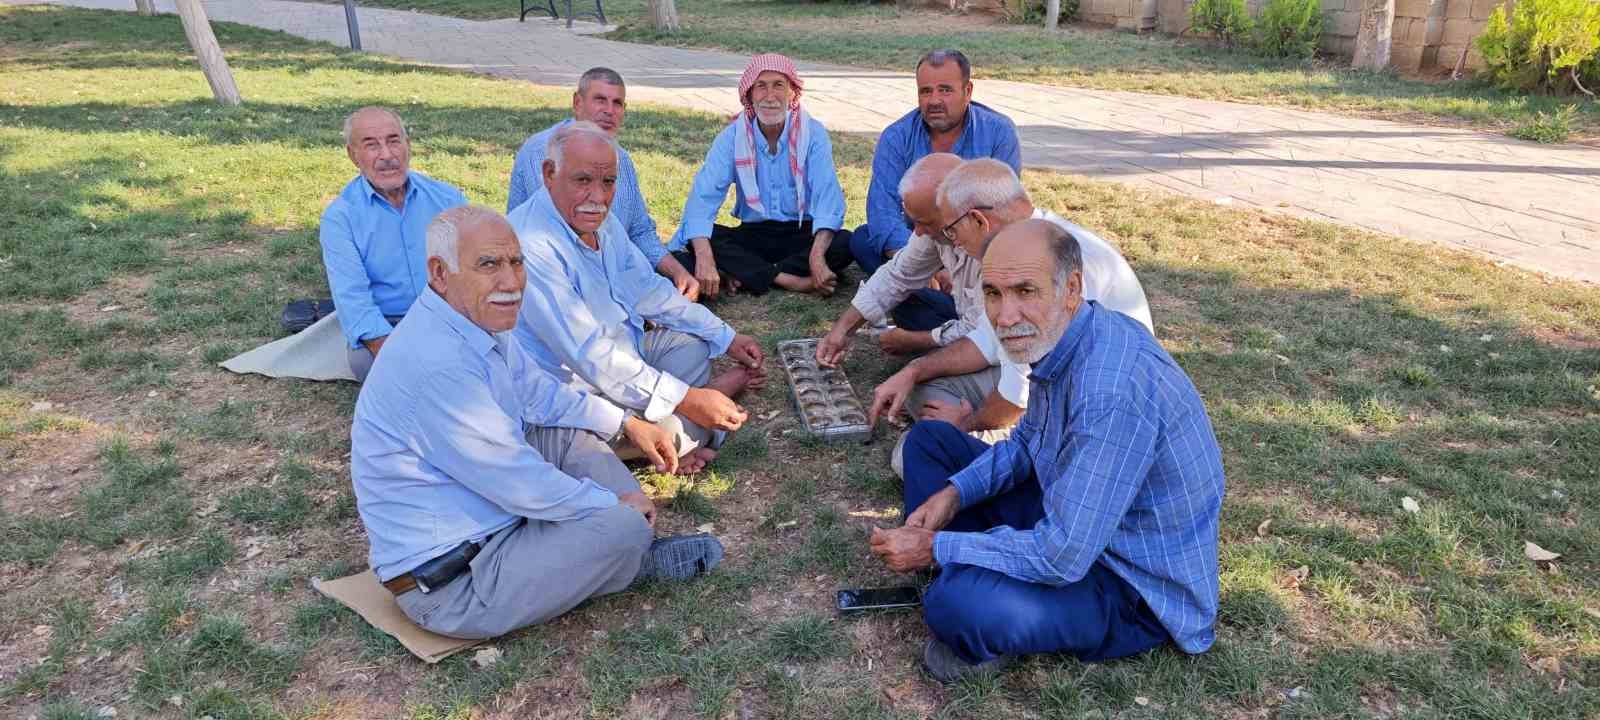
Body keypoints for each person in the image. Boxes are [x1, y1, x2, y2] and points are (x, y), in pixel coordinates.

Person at [869, 219, 1225, 682]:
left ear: (1071, 288)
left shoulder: (1110, 392)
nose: (1005, 315)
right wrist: (953, 495)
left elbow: (1063, 555)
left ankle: (962, 584)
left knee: (955, 604)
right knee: (928, 442)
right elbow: (1027, 441)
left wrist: (938, 547)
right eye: (993, 294)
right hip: (1075, 512)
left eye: (1024, 291)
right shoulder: (1069, 333)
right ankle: (963, 568)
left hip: (1129, 579)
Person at [351, 205, 724, 640]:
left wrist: (628, 424)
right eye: (489, 264)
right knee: (619, 525)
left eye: (516, 262)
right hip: (459, 581)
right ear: (439, 273)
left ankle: (619, 537)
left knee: (567, 434)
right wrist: (611, 505)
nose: (511, 283)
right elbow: (517, 481)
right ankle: (630, 551)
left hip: (489, 514)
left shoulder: (473, 317)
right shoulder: (437, 364)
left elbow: (541, 396)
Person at [830, 158, 1152, 474]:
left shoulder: (1043, 264)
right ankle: (981, 444)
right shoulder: (1019, 247)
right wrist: (914, 370)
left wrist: (966, 422)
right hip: (1044, 392)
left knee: (913, 455)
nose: (952, 243)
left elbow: (1024, 391)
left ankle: (1005, 453)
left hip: (1088, 417)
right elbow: (985, 339)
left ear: (979, 221)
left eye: (953, 231)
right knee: (921, 395)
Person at [512, 123, 767, 475]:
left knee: (691, 347)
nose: (598, 197)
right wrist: (689, 399)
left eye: (608, 182)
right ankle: (667, 433)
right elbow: (591, 356)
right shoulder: (531, 245)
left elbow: (649, 290)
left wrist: (725, 337)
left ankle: (668, 430)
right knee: (675, 431)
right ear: (549, 174)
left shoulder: (600, 221)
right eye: (583, 180)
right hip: (572, 399)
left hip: (625, 359)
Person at [847, 49, 1022, 341]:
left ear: (968, 91)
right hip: (916, 243)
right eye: (925, 91)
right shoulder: (897, 136)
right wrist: (923, 265)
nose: (934, 101)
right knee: (864, 239)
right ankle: (946, 316)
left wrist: (951, 268)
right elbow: (883, 212)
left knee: (992, 287)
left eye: (945, 90)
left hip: (974, 253)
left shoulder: (998, 132)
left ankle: (946, 320)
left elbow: (1001, 215)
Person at [667, 54, 854, 299]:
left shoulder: (814, 134)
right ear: (750, 95)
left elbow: (827, 198)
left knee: (846, 242)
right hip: (753, 235)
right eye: (761, 86)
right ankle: (790, 280)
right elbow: (703, 199)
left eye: (778, 85)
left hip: (801, 233)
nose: (769, 96)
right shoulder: (732, 137)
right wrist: (704, 259)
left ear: (791, 93)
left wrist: (817, 256)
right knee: (698, 238)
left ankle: (747, 274)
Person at [506, 67, 698, 300]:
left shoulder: (620, 159)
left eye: (617, 103)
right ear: (577, 103)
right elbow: (565, 240)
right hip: (557, 281)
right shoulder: (545, 152)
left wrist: (679, 273)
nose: (609, 111)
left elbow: (640, 231)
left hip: (614, 269)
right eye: (600, 100)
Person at [320, 106, 467, 381]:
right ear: (353, 156)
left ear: (408, 146)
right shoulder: (341, 218)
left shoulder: (448, 200)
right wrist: (392, 352)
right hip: (389, 323)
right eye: (371, 145)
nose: (387, 155)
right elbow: (353, 298)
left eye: (393, 141)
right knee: (368, 362)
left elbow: (475, 271)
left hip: (449, 317)